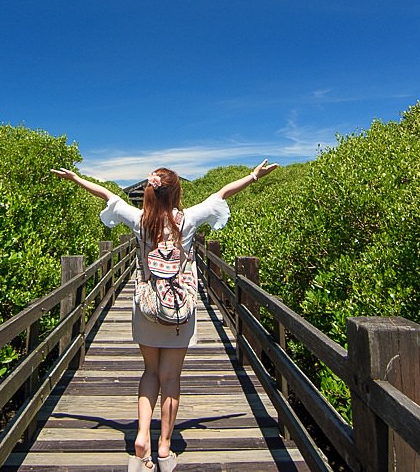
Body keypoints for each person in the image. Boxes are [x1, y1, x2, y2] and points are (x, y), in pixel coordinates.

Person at [51, 160, 279, 472]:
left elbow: (106, 196)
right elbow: (223, 193)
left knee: (149, 373)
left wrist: (76, 179)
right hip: (179, 310)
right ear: (176, 193)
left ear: (149, 193)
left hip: (145, 307)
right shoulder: (188, 220)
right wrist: (254, 176)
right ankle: (165, 446)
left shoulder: (139, 220)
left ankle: (142, 436)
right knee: (171, 378)